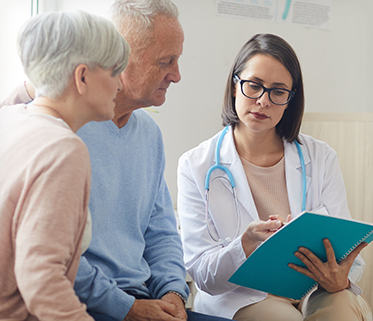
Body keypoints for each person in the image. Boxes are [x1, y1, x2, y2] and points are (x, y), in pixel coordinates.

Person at [0, 1, 231, 321]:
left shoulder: (147, 134)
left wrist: (174, 291)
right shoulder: (61, 140)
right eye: (166, 61)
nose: (177, 75)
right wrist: (125, 308)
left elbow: (161, 230)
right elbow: (44, 276)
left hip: (140, 297)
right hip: (92, 304)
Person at [177, 33, 373, 321]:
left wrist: (339, 278)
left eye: (278, 91)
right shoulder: (196, 165)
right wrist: (244, 245)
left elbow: (349, 256)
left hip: (311, 289)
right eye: (253, 86)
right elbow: (202, 274)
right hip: (240, 296)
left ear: (290, 100)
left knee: (342, 308)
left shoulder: (320, 157)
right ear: (234, 87)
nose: (263, 101)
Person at [0, 10, 129, 321]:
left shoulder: (10, 118)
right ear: (82, 77)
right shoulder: (62, 149)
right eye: (114, 72)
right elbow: (41, 280)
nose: (120, 86)